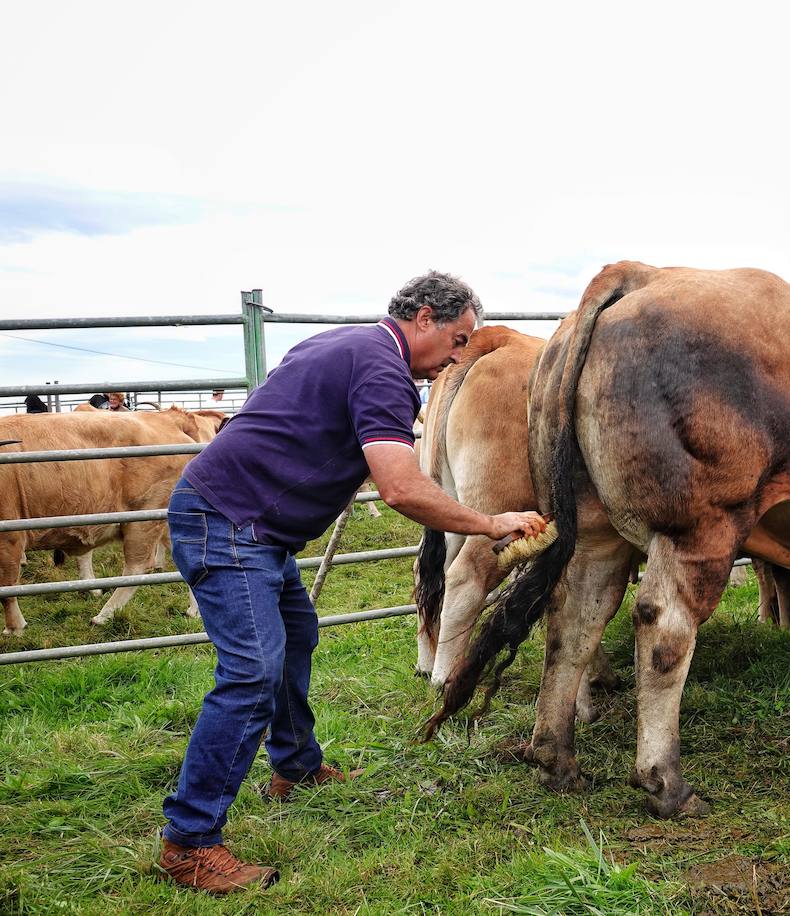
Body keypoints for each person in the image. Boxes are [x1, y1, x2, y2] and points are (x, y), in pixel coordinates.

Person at [156, 271, 547, 894]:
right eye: (457, 338)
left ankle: (296, 768)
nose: (458, 353)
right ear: (424, 317)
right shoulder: (383, 370)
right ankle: (189, 841)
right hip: (230, 523)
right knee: (253, 672)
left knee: (295, 638)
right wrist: (487, 521)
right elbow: (398, 487)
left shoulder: (341, 344)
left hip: (249, 521)